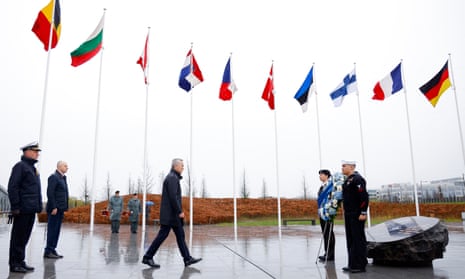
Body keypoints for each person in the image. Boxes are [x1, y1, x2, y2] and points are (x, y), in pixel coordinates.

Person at [142, 158, 202, 268]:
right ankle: (147, 257)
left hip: (172, 216)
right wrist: (180, 211)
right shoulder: (172, 178)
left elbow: (174, 197)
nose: (183, 168)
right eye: (182, 166)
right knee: (163, 235)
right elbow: (173, 197)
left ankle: (187, 259)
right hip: (171, 215)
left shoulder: (173, 177)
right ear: (175, 166)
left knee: (180, 236)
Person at [7, 141, 43, 273]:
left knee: (24, 237)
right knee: (18, 237)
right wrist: (15, 206)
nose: (37, 154)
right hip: (22, 209)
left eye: (37, 152)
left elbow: (36, 191)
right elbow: (13, 187)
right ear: (27, 151)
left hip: (30, 209)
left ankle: (20, 261)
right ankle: (14, 263)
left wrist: (38, 206)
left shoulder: (33, 169)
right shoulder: (20, 167)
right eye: (35, 151)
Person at [341, 160, 369, 273]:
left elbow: (363, 196)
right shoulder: (347, 180)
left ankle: (360, 264)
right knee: (350, 240)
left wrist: (363, 212)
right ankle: (352, 263)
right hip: (349, 214)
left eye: (344, 166)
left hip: (357, 214)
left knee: (358, 239)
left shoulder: (358, 179)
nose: (342, 168)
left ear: (352, 167)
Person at [44, 161, 69, 259]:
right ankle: (48, 251)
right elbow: (50, 193)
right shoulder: (54, 177)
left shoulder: (62, 178)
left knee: (56, 230)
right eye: (65, 166)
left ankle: (53, 249)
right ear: (59, 166)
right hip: (55, 209)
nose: (67, 167)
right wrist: (54, 206)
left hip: (60, 209)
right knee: (52, 230)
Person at [317, 169, 335, 262]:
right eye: (319, 175)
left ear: (327, 175)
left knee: (329, 233)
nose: (320, 176)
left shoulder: (331, 186)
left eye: (322, 174)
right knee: (325, 233)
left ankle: (331, 254)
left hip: (328, 212)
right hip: (322, 212)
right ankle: (326, 252)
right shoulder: (321, 187)